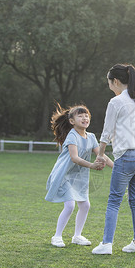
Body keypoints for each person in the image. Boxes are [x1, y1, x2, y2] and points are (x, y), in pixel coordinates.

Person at [92, 64, 135, 255]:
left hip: (127, 157)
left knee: (114, 201)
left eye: (109, 82)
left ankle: (107, 244)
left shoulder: (116, 102)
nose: (109, 85)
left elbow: (106, 133)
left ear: (115, 81)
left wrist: (100, 155)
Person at [45, 104, 113, 248]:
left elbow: (101, 155)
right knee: (69, 205)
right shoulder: (72, 136)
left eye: (86, 115)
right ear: (72, 121)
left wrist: (116, 167)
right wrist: (92, 166)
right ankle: (56, 236)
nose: (84, 118)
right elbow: (74, 158)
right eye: (80, 116)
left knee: (85, 205)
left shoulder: (92, 137)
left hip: (79, 177)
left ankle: (77, 236)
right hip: (64, 174)